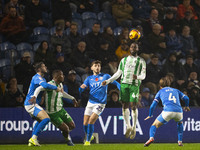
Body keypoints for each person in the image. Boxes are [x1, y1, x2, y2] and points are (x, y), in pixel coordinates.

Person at [102, 42, 146, 140]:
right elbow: (118, 73)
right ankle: (128, 126)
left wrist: (137, 77)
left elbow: (143, 75)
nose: (133, 48)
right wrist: (108, 81)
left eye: (135, 47)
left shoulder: (141, 61)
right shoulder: (124, 60)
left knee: (133, 106)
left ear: (138, 49)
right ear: (130, 49)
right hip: (124, 84)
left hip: (134, 85)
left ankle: (134, 127)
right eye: (132, 47)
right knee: (124, 106)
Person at [31, 70, 78, 146]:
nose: (63, 76)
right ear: (56, 77)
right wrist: (35, 96)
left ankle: (65, 132)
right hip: (52, 113)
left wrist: (72, 98)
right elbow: (39, 89)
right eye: (61, 75)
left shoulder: (60, 85)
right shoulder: (50, 84)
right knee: (65, 129)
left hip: (61, 110)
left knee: (72, 126)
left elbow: (62, 94)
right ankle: (68, 140)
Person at [80, 60, 120, 146]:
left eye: (99, 65)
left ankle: (88, 141)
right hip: (90, 102)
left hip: (100, 103)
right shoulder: (89, 78)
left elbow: (116, 83)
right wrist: (81, 88)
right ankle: (89, 136)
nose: (97, 67)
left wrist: (120, 88)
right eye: (95, 65)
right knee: (85, 123)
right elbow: (81, 89)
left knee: (91, 121)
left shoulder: (105, 76)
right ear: (92, 68)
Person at [144, 77, 190, 147]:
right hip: (179, 112)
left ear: (160, 85)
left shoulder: (160, 91)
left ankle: (151, 138)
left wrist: (150, 115)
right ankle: (180, 142)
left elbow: (153, 106)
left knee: (154, 125)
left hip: (168, 111)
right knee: (180, 123)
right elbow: (186, 98)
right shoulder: (176, 90)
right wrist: (187, 106)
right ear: (169, 84)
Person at [24, 62, 61, 146]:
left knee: (40, 120)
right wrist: (56, 88)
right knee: (46, 119)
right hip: (30, 104)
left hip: (33, 104)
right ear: (39, 69)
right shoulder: (36, 77)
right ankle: (33, 138)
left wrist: (42, 97)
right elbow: (44, 85)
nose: (46, 67)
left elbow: (42, 88)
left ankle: (32, 141)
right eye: (44, 66)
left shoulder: (42, 78)